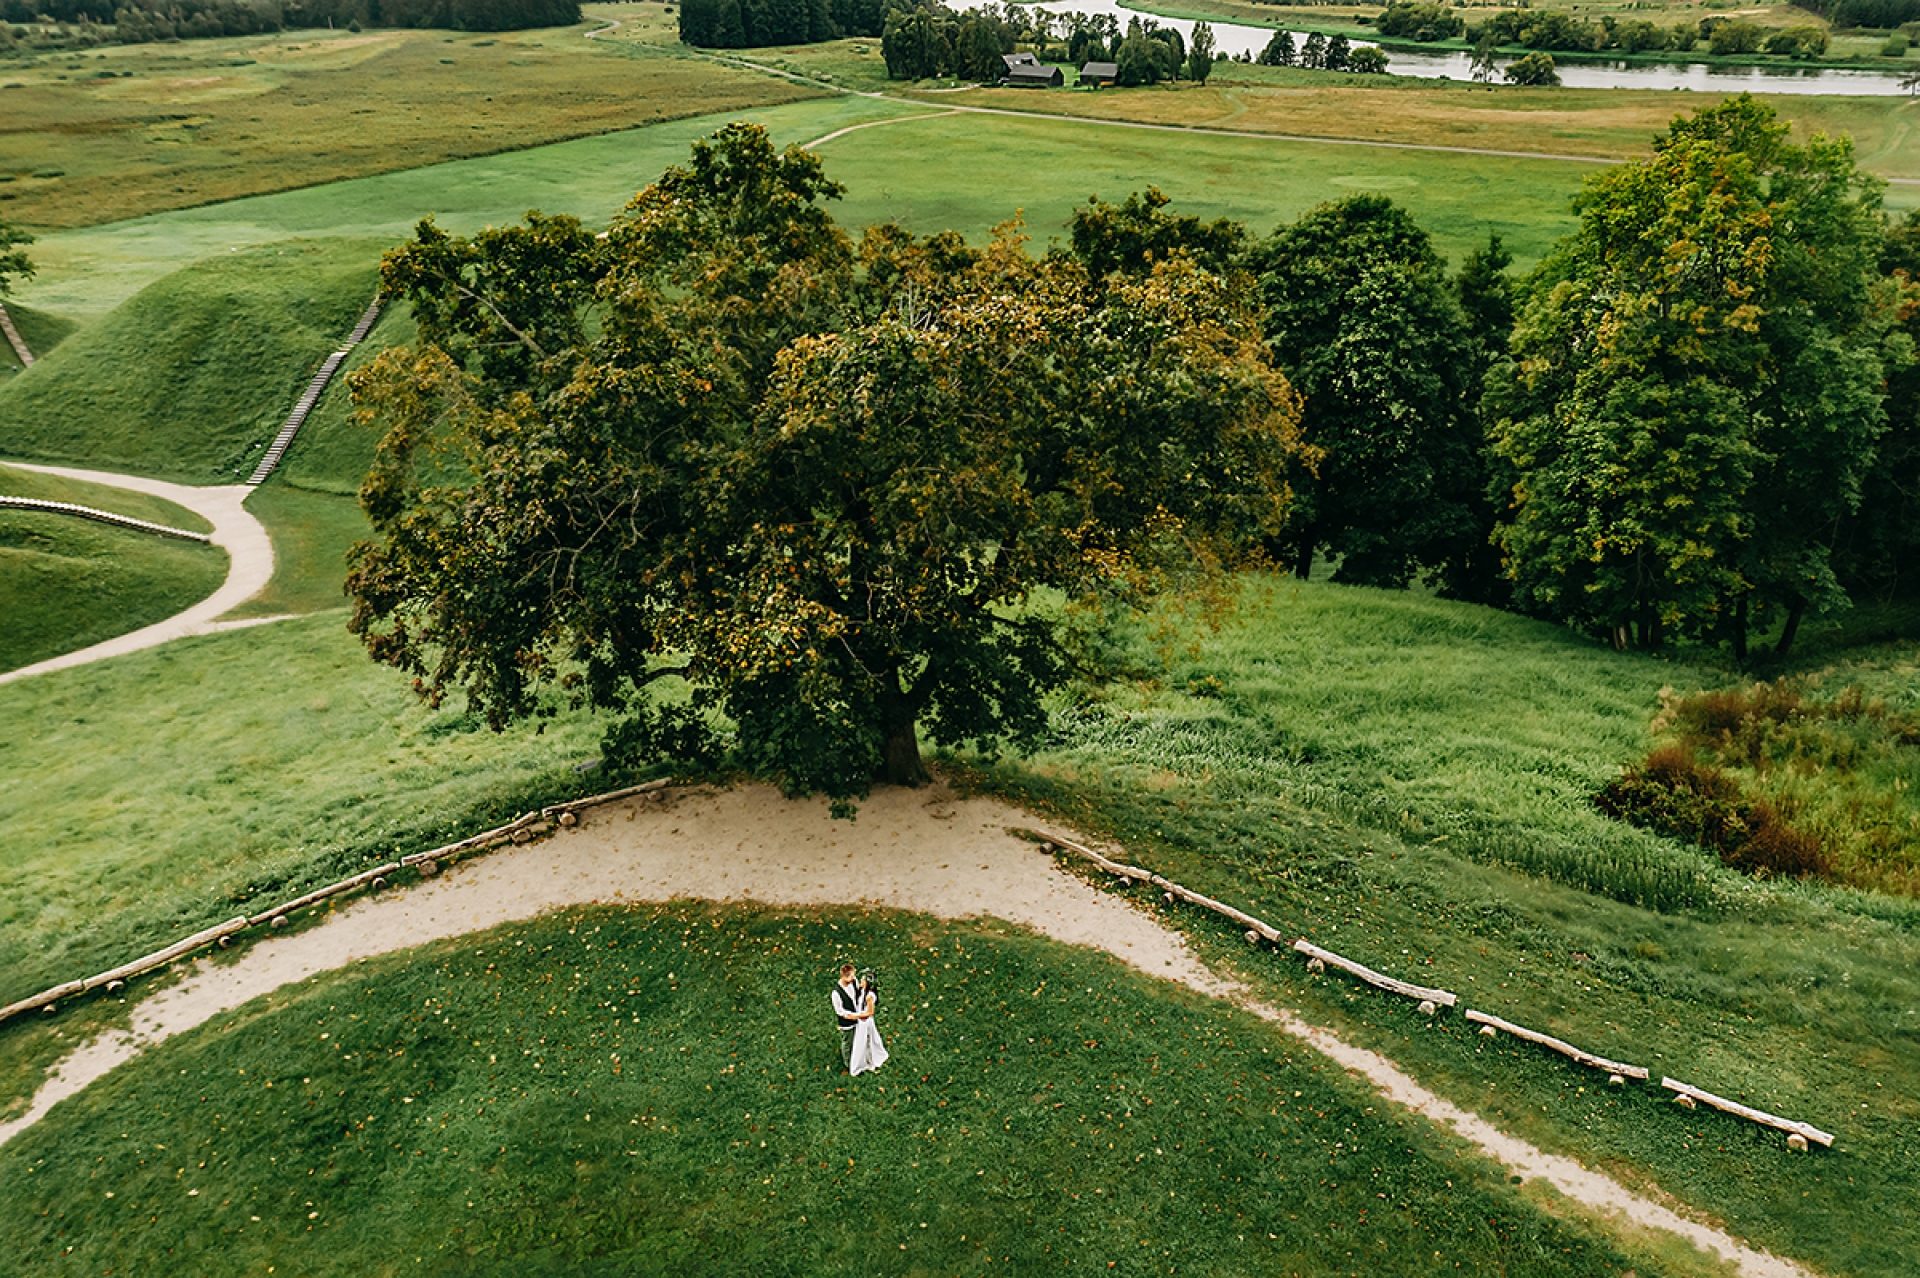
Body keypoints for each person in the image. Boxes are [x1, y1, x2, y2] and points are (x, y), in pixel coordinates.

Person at [849, 967, 888, 1076]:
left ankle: (860, 1064)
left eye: (863, 980)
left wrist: (857, 1015)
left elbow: (870, 1012)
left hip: (865, 1022)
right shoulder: (862, 991)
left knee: (863, 1042)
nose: (861, 981)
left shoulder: (869, 996)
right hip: (861, 1021)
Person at [831, 963, 868, 1073]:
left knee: (857, 1037)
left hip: (857, 1016)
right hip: (847, 1021)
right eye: (851, 976)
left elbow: (857, 993)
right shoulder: (836, 993)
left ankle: (857, 1056)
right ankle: (848, 1062)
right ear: (844, 976)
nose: (853, 978)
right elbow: (839, 1010)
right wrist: (852, 1016)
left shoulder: (853, 981)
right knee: (848, 1041)